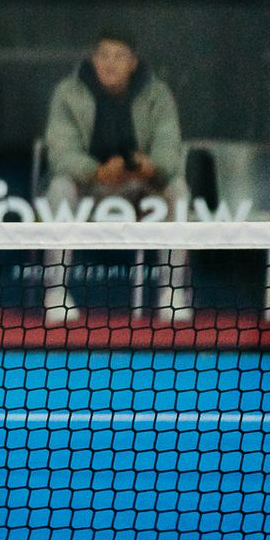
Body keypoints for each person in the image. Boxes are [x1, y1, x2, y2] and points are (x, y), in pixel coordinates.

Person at [39, 33, 191, 325]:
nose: (110, 63)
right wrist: (96, 172)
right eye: (104, 55)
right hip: (88, 188)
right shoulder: (68, 93)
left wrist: (151, 166)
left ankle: (172, 292)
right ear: (93, 60)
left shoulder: (157, 95)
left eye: (119, 56)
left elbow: (170, 153)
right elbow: (61, 155)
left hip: (140, 189)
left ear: (133, 63)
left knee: (178, 189)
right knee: (59, 187)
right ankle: (56, 292)